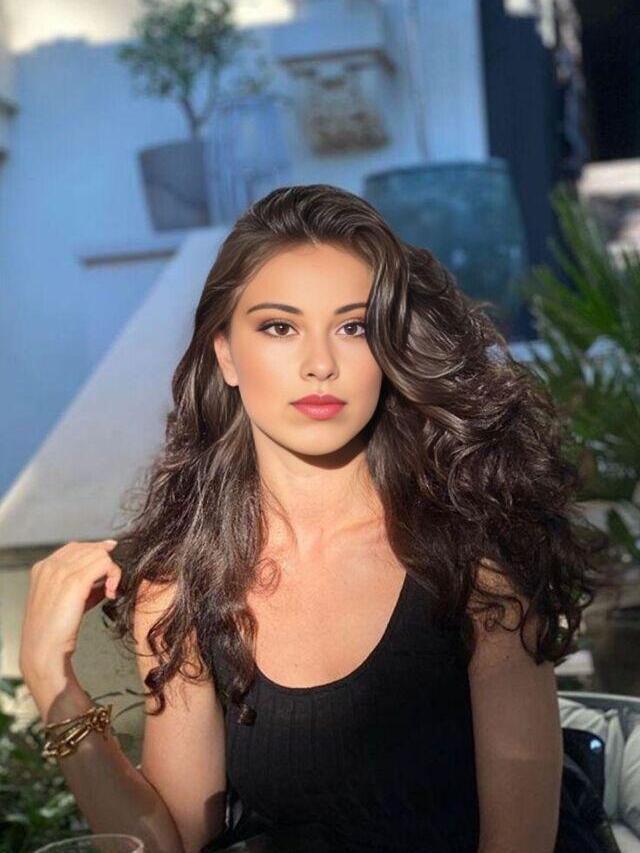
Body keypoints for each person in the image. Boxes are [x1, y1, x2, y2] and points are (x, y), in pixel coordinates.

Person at [19, 184, 614, 853]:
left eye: (353, 327)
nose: (320, 365)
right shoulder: (185, 587)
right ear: (225, 354)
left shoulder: (477, 567)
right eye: (280, 327)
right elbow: (168, 847)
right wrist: (53, 682)